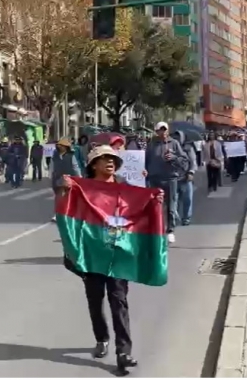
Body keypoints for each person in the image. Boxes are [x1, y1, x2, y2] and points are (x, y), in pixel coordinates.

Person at [61, 145, 161, 373]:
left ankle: (123, 352)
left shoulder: (124, 188)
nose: (110, 162)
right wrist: (64, 190)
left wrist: (155, 200)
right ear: (93, 165)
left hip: (117, 254)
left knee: (119, 301)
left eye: (113, 159)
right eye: (104, 158)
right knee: (95, 301)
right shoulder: (81, 189)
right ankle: (101, 338)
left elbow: (139, 209)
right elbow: (66, 210)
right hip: (92, 255)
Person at [145, 122, 189, 244]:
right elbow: (145, 161)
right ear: (156, 131)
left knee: (171, 206)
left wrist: (174, 157)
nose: (163, 132)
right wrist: (145, 173)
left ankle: (170, 230)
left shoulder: (174, 144)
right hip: (155, 179)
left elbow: (184, 160)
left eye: (165, 130)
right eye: (160, 130)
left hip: (170, 178)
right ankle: (156, 230)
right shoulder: (151, 145)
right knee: (156, 205)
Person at [50, 138, 80, 222]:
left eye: (62, 145)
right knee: (58, 197)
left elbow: (75, 167)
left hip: (68, 178)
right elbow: (52, 165)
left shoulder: (71, 156)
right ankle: (58, 214)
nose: (60, 147)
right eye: (58, 145)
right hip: (57, 177)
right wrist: (50, 174)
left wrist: (79, 177)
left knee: (67, 197)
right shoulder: (55, 155)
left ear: (66, 147)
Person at [172, 131, 197, 226]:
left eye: (178, 137)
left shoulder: (188, 148)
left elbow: (193, 162)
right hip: (173, 178)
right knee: (174, 200)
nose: (176, 139)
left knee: (187, 199)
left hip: (185, 177)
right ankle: (174, 218)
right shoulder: (170, 148)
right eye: (174, 137)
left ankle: (186, 218)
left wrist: (191, 172)